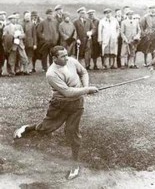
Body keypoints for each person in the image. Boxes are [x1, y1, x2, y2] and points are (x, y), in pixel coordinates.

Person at [13, 45, 98, 180]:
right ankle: (27, 128)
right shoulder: (51, 73)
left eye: (66, 54)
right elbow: (66, 92)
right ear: (54, 58)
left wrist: (86, 86)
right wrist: (87, 90)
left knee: (72, 132)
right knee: (45, 128)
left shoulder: (71, 61)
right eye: (63, 56)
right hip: (60, 104)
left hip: (77, 104)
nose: (66, 58)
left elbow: (83, 72)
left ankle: (74, 164)